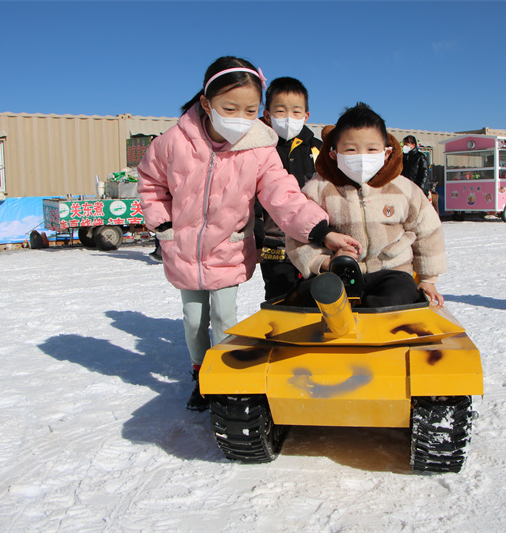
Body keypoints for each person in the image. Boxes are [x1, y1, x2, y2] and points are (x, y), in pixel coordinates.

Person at [137, 57, 359, 411]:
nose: (240, 117)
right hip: (182, 250)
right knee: (194, 319)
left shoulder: (259, 147)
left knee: (225, 317)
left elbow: (282, 193)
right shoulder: (171, 142)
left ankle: (221, 376)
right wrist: (164, 225)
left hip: (228, 246)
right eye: (230, 108)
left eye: (250, 110)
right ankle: (199, 373)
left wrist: (320, 231)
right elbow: (150, 184)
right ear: (207, 103)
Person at [285, 103, 446, 309]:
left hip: (391, 272)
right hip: (337, 274)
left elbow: (428, 231)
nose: (362, 157)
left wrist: (428, 279)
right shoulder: (318, 190)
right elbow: (296, 233)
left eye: (371, 149)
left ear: (386, 153)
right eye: (351, 149)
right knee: (308, 299)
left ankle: (376, 330)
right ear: (334, 154)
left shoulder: (404, 190)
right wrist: (323, 262)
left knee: (399, 295)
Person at [256, 77, 323, 300]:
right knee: (279, 296)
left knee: (314, 295)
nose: (288, 118)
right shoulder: (259, 148)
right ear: (267, 114)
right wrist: (256, 236)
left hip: (313, 240)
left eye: (296, 112)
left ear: (306, 115)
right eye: (280, 111)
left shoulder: (317, 149)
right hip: (274, 241)